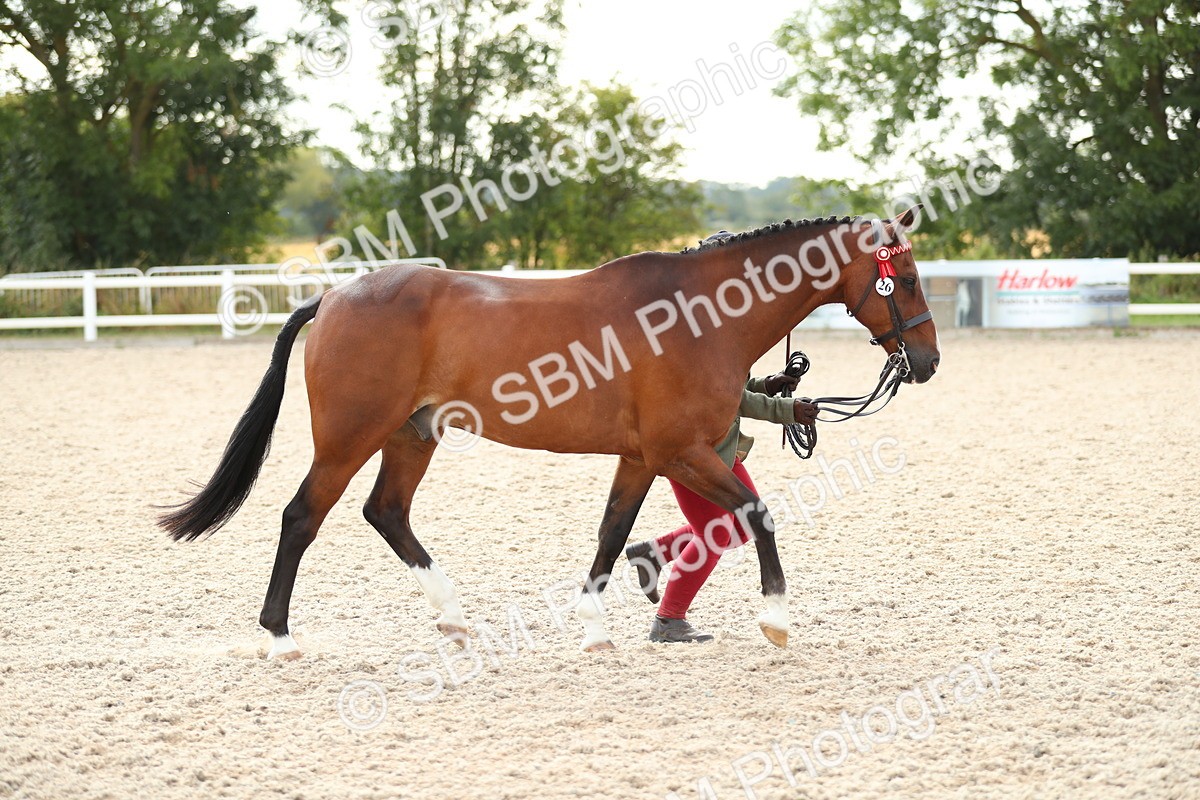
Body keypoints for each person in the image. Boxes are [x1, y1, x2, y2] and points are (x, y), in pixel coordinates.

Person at [625, 372, 819, 643]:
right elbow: (720, 390)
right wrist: (786, 410)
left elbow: (730, 380)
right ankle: (668, 620)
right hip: (690, 451)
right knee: (714, 535)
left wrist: (765, 385)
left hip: (721, 447)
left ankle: (653, 553)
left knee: (742, 527)